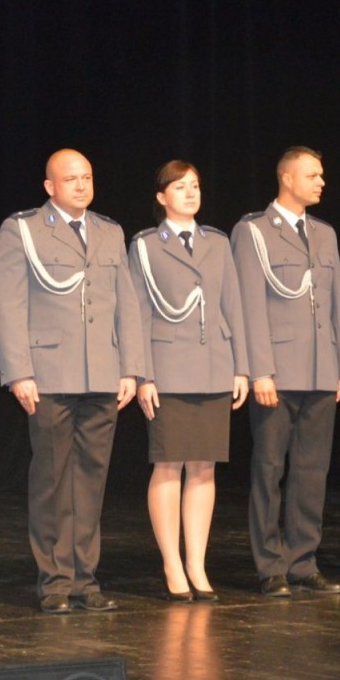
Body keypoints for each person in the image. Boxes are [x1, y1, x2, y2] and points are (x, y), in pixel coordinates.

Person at [0, 148, 144, 614]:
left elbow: (126, 304)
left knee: (91, 481)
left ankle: (84, 581)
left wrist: (131, 367)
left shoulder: (109, 231)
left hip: (102, 373)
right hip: (50, 374)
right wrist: (18, 371)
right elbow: (6, 304)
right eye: (71, 179)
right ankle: (54, 582)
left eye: (87, 177)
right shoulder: (23, 229)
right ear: (49, 186)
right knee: (53, 481)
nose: (81, 185)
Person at [231, 146, 340, 597]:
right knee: (269, 469)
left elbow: (337, 304)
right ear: (287, 178)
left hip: (321, 370)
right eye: (312, 175)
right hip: (278, 373)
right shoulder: (254, 231)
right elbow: (249, 305)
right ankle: (271, 566)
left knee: (311, 471)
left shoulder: (324, 233)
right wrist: (260, 371)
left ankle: (303, 562)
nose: (322, 182)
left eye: (321, 175)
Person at [128, 160, 249, 602]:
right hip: (169, 369)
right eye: (180, 187)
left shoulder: (217, 241)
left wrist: (242, 367)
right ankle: (172, 564)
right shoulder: (145, 245)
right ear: (161, 197)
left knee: (204, 467)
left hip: (214, 364)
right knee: (169, 465)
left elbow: (233, 305)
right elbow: (138, 314)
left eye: (195, 185)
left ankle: (197, 563)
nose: (190, 193)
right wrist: (144, 375)